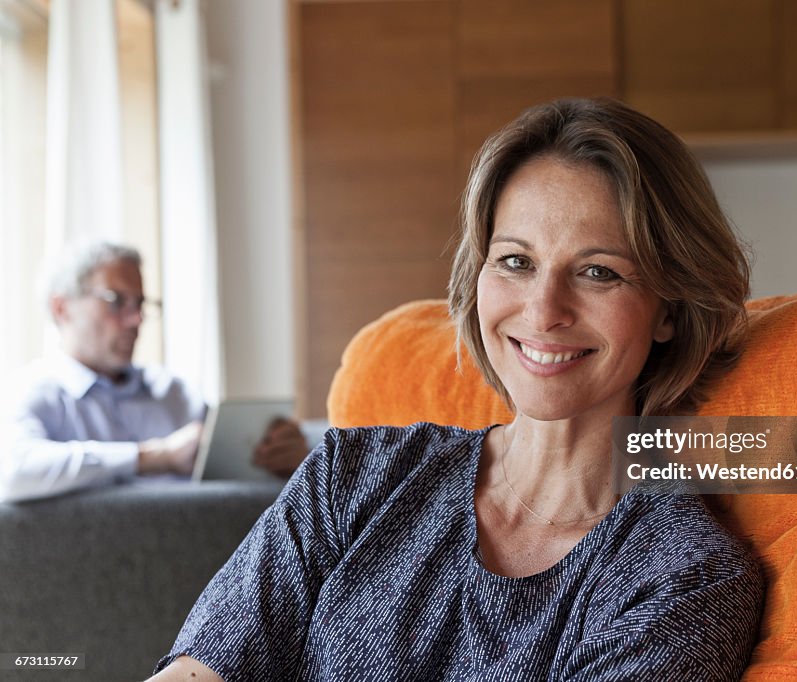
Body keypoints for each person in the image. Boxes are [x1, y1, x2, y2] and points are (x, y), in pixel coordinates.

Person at [151, 98, 763, 680]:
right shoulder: (352, 474)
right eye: (516, 262)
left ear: (670, 311)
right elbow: (201, 668)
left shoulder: (684, 577)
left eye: (598, 272)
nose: (543, 311)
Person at [0, 241, 307, 503]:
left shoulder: (174, 392)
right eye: (116, 302)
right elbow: (11, 471)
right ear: (61, 308)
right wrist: (151, 457)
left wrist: (291, 457)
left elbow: (234, 473)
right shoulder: (32, 393)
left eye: (140, 304)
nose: (136, 320)